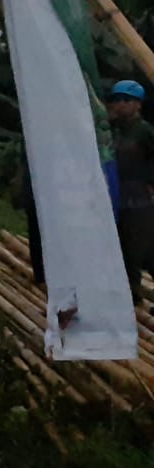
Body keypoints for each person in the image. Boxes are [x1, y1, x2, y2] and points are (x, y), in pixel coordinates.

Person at [107, 80, 154, 304]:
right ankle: (132, 299)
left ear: (138, 104)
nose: (121, 104)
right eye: (117, 100)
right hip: (119, 198)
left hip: (141, 199)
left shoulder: (144, 131)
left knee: (142, 251)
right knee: (124, 250)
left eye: (126, 100)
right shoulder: (114, 131)